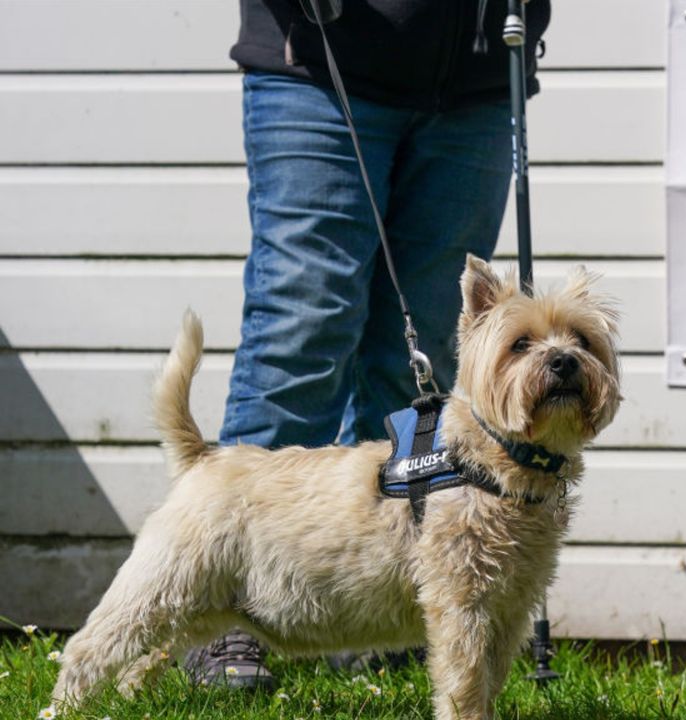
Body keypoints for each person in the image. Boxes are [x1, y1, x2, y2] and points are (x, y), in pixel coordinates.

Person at [182, 0, 551, 690]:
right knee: (303, 329)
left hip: (474, 77)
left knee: (423, 365)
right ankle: (228, 605)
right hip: (320, 56)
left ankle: (397, 609)